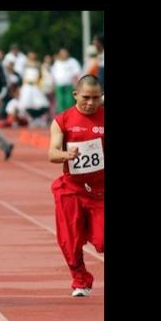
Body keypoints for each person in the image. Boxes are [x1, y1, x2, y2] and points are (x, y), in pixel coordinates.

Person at [47, 75, 104, 297]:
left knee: (101, 241)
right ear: (75, 95)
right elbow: (51, 153)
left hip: (100, 191)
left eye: (95, 98)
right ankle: (80, 280)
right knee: (69, 242)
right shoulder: (62, 120)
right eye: (86, 98)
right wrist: (65, 154)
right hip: (71, 188)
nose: (91, 103)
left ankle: (91, 229)